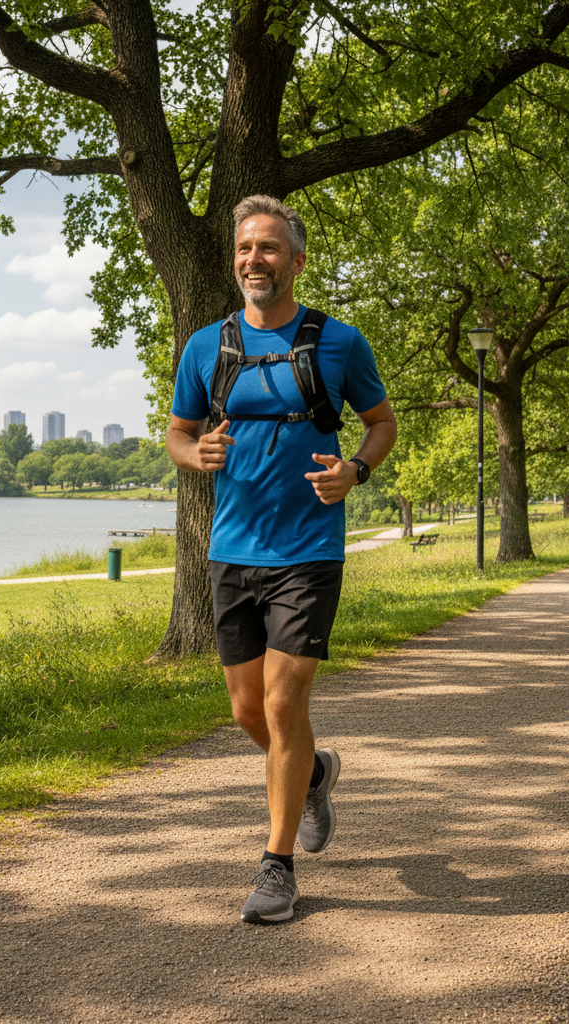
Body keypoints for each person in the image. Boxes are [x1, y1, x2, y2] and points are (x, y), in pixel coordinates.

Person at [166, 195, 397, 923]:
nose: (252, 261)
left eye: (268, 249)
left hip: (309, 551)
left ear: (296, 261)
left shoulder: (340, 343)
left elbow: (381, 423)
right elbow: (176, 433)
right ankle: (315, 774)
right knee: (245, 710)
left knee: (282, 701)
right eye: (243, 249)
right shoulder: (207, 347)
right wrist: (194, 451)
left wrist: (355, 470)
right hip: (232, 550)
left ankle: (277, 866)